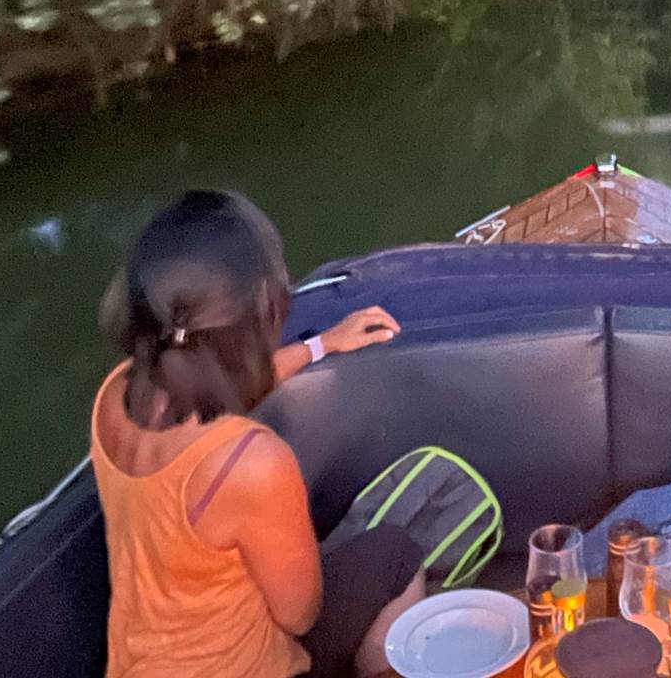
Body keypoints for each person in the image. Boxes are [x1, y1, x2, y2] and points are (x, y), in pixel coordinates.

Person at [90, 190, 423, 678]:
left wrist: (320, 346)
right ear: (262, 312)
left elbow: (214, 392)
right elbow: (299, 614)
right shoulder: (251, 461)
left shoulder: (118, 394)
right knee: (396, 553)